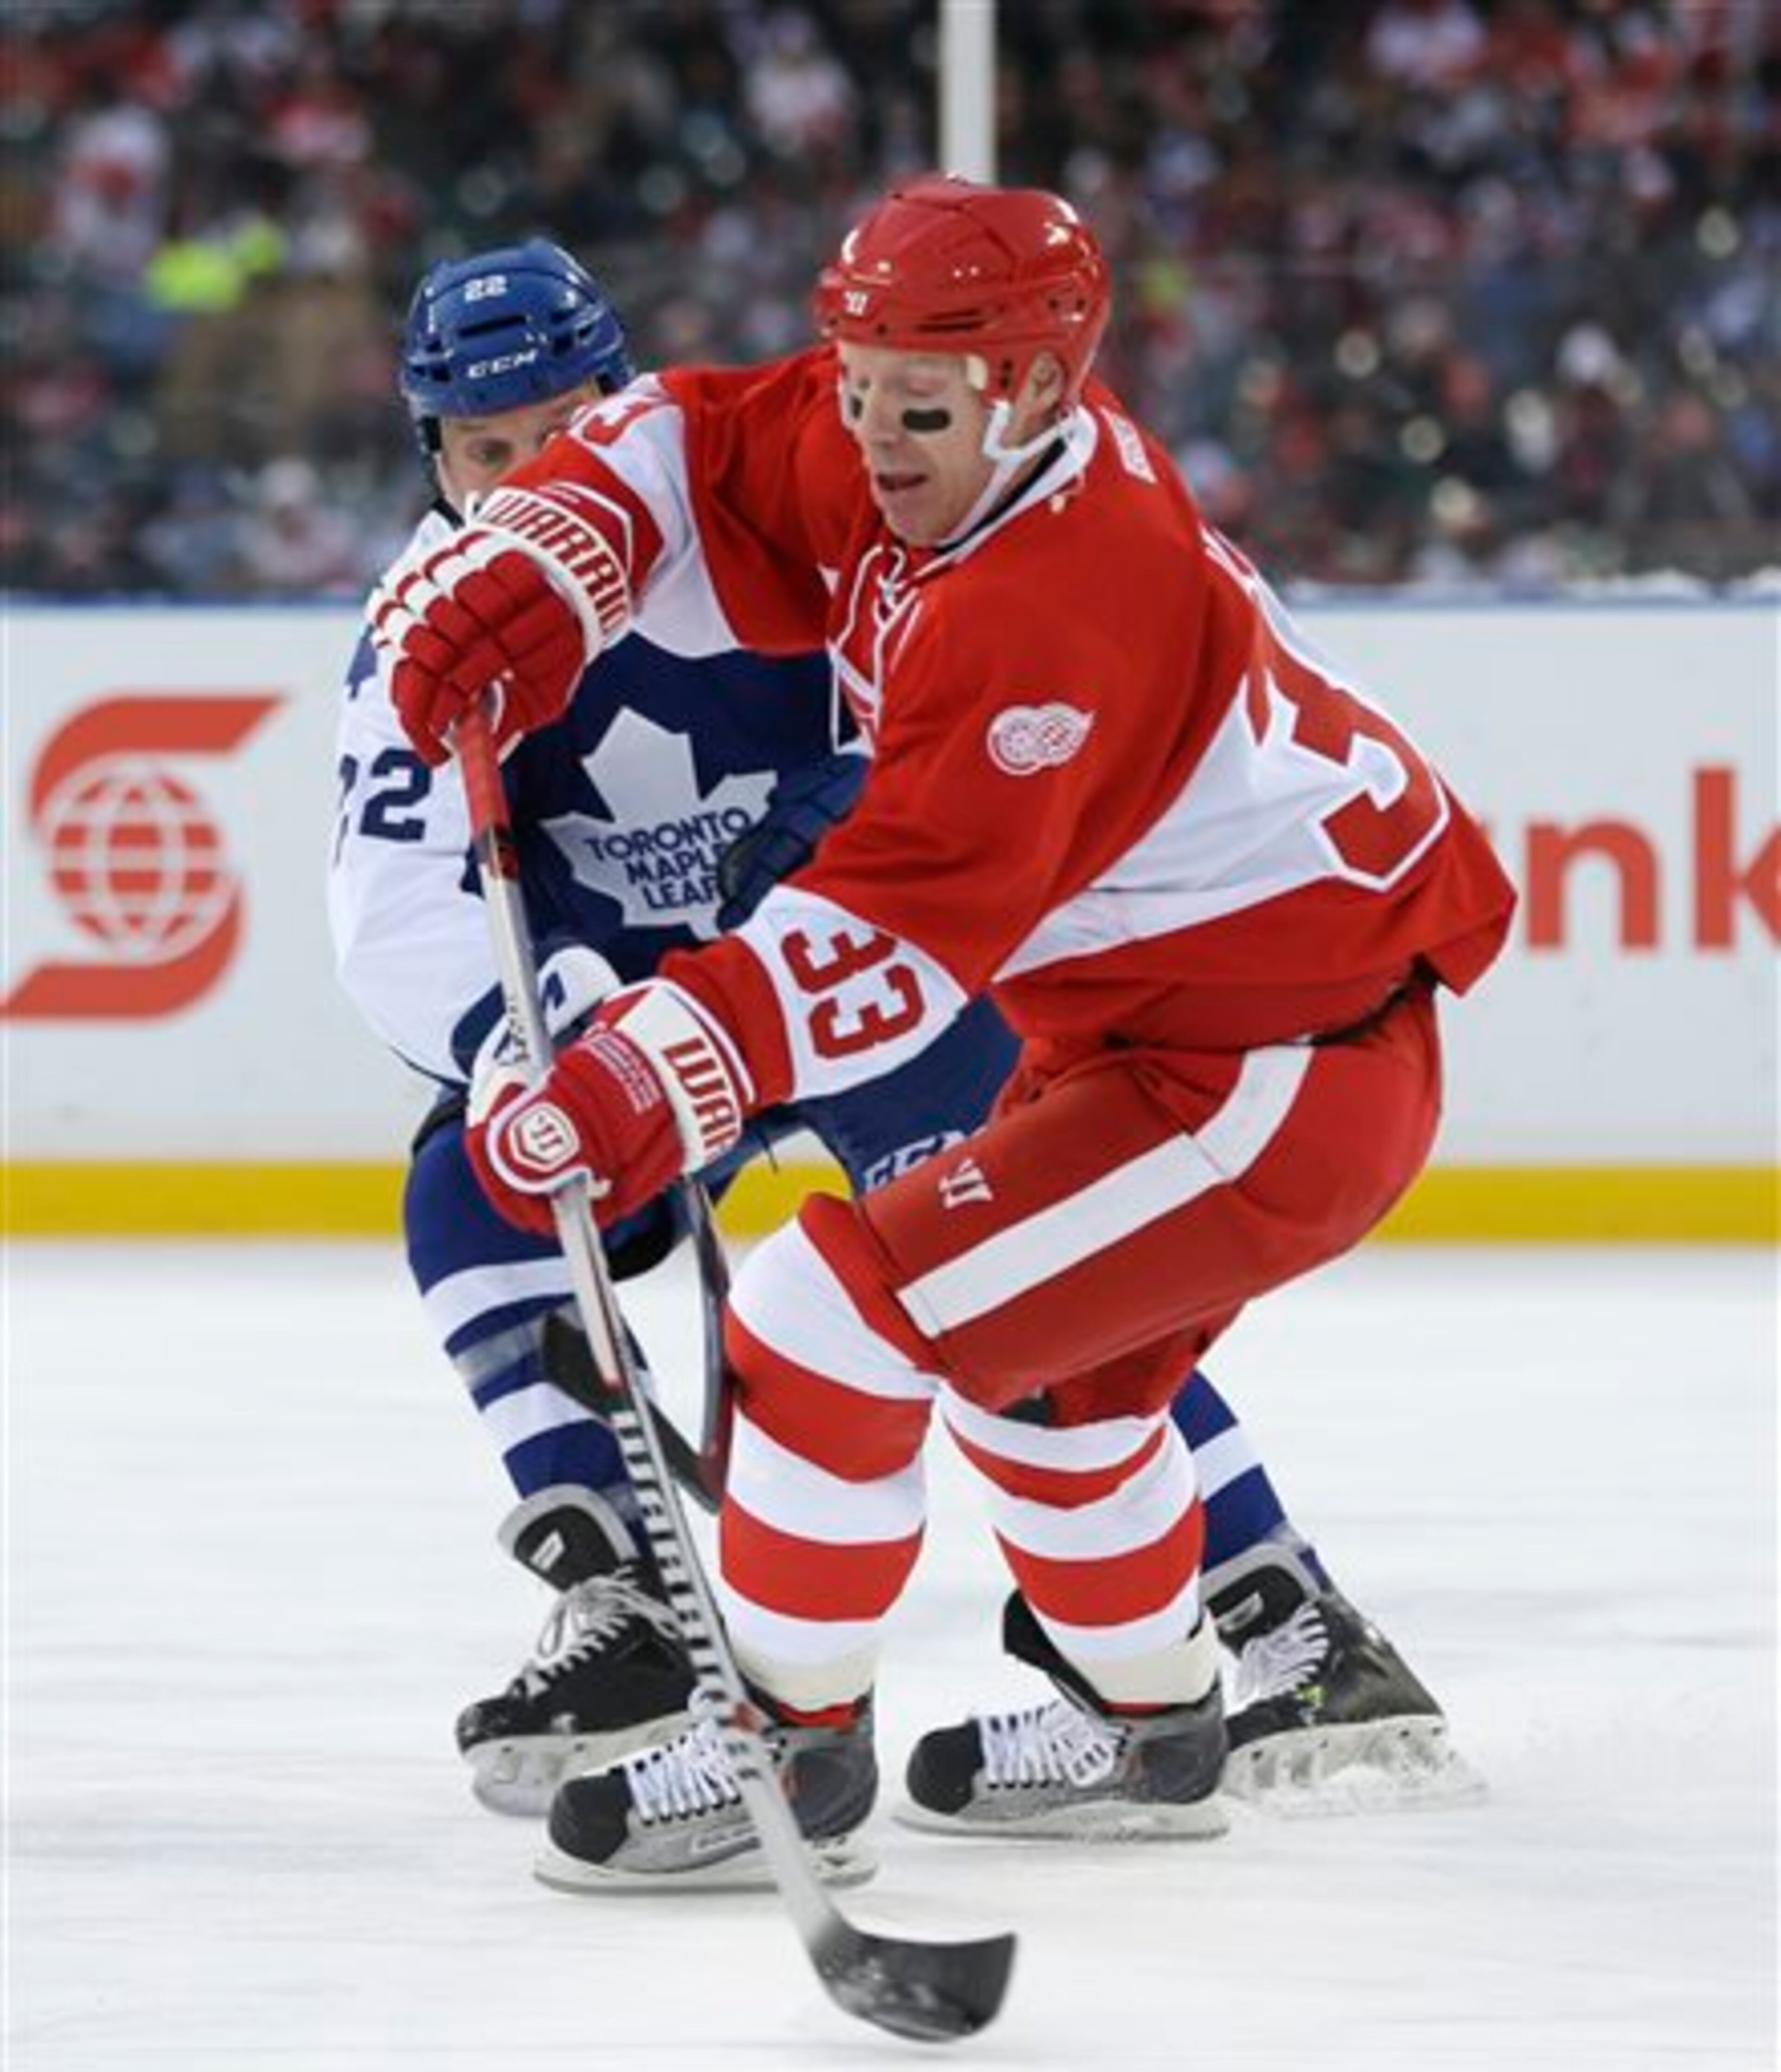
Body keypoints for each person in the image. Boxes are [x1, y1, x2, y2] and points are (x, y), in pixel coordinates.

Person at [354, 209, 1506, 1877]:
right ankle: (1157, 1722)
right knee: (1051, 1394)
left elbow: (891, 938)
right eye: (862, 389)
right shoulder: (948, 439)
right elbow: (703, 437)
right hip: (1150, 1030)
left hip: (1265, 1070)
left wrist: (643, 1065)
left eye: (917, 407)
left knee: (830, 1315)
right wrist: (567, 531)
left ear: (1035, 386)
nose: (873, 443)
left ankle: (785, 1755)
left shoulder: (1057, 602)